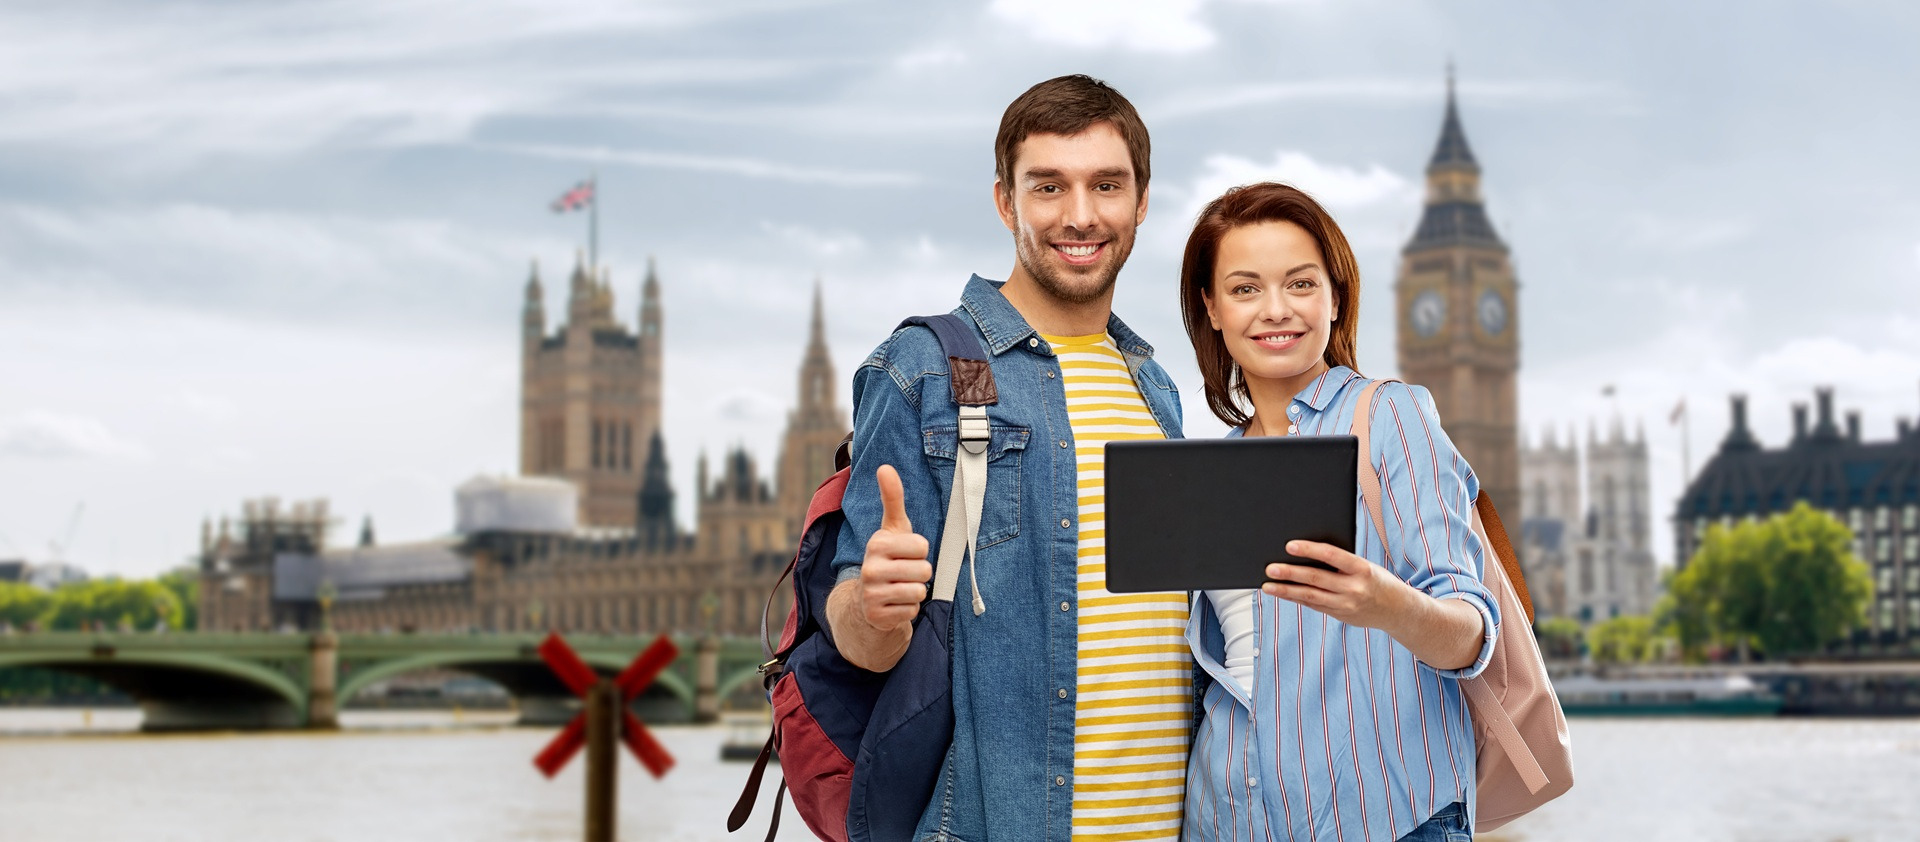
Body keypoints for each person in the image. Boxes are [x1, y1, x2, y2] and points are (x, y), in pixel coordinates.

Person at [827, 75, 1192, 841]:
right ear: (1006, 202)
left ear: (1142, 200)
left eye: (1106, 185)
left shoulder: (1154, 387)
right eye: (1049, 186)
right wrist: (872, 604)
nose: (1081, 214)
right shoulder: (923, 367)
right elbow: (856, 625)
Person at [1176, 182, 1500, 842]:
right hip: (1227, 822)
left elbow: (1472, 634)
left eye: (1300, 284)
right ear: (1210, 307)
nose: (1275, 310)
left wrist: (1389, 605)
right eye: (1244, 289)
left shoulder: (1390, 418)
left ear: (1335, 296)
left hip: (1388, 823)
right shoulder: (1206, 471)